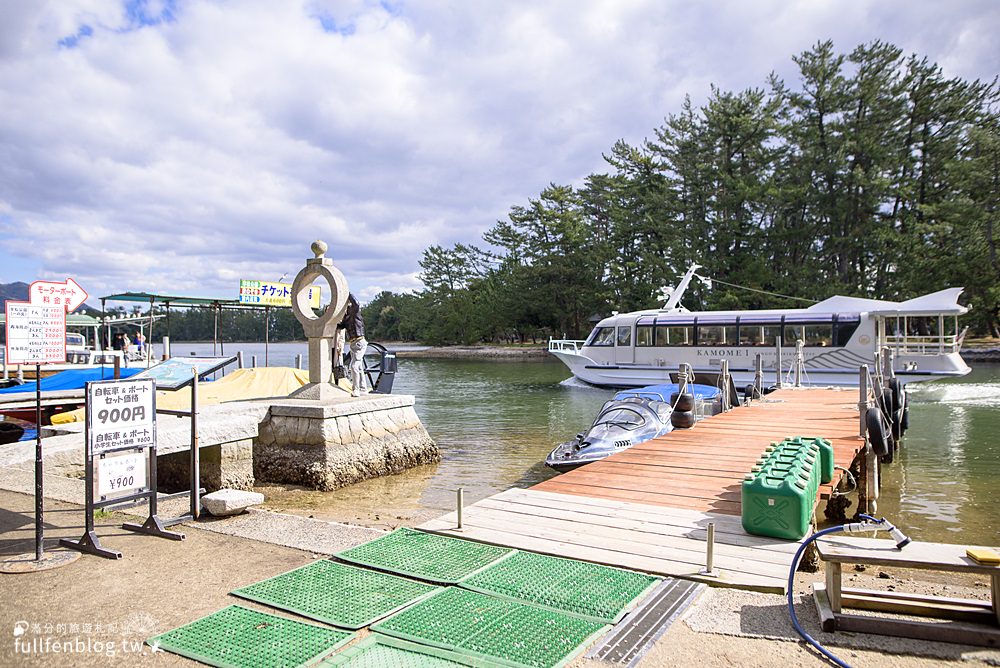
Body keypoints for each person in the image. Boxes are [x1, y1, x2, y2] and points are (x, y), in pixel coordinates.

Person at [337, 293, 368, 397]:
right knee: (359, 367)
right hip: (353, 344)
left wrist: (346, 293)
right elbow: (339, 326)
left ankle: (356, 389)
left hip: (359, 342)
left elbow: (356, 304)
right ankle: (363, 388)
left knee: (354, 366)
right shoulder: (346, 319)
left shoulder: (355, 314)